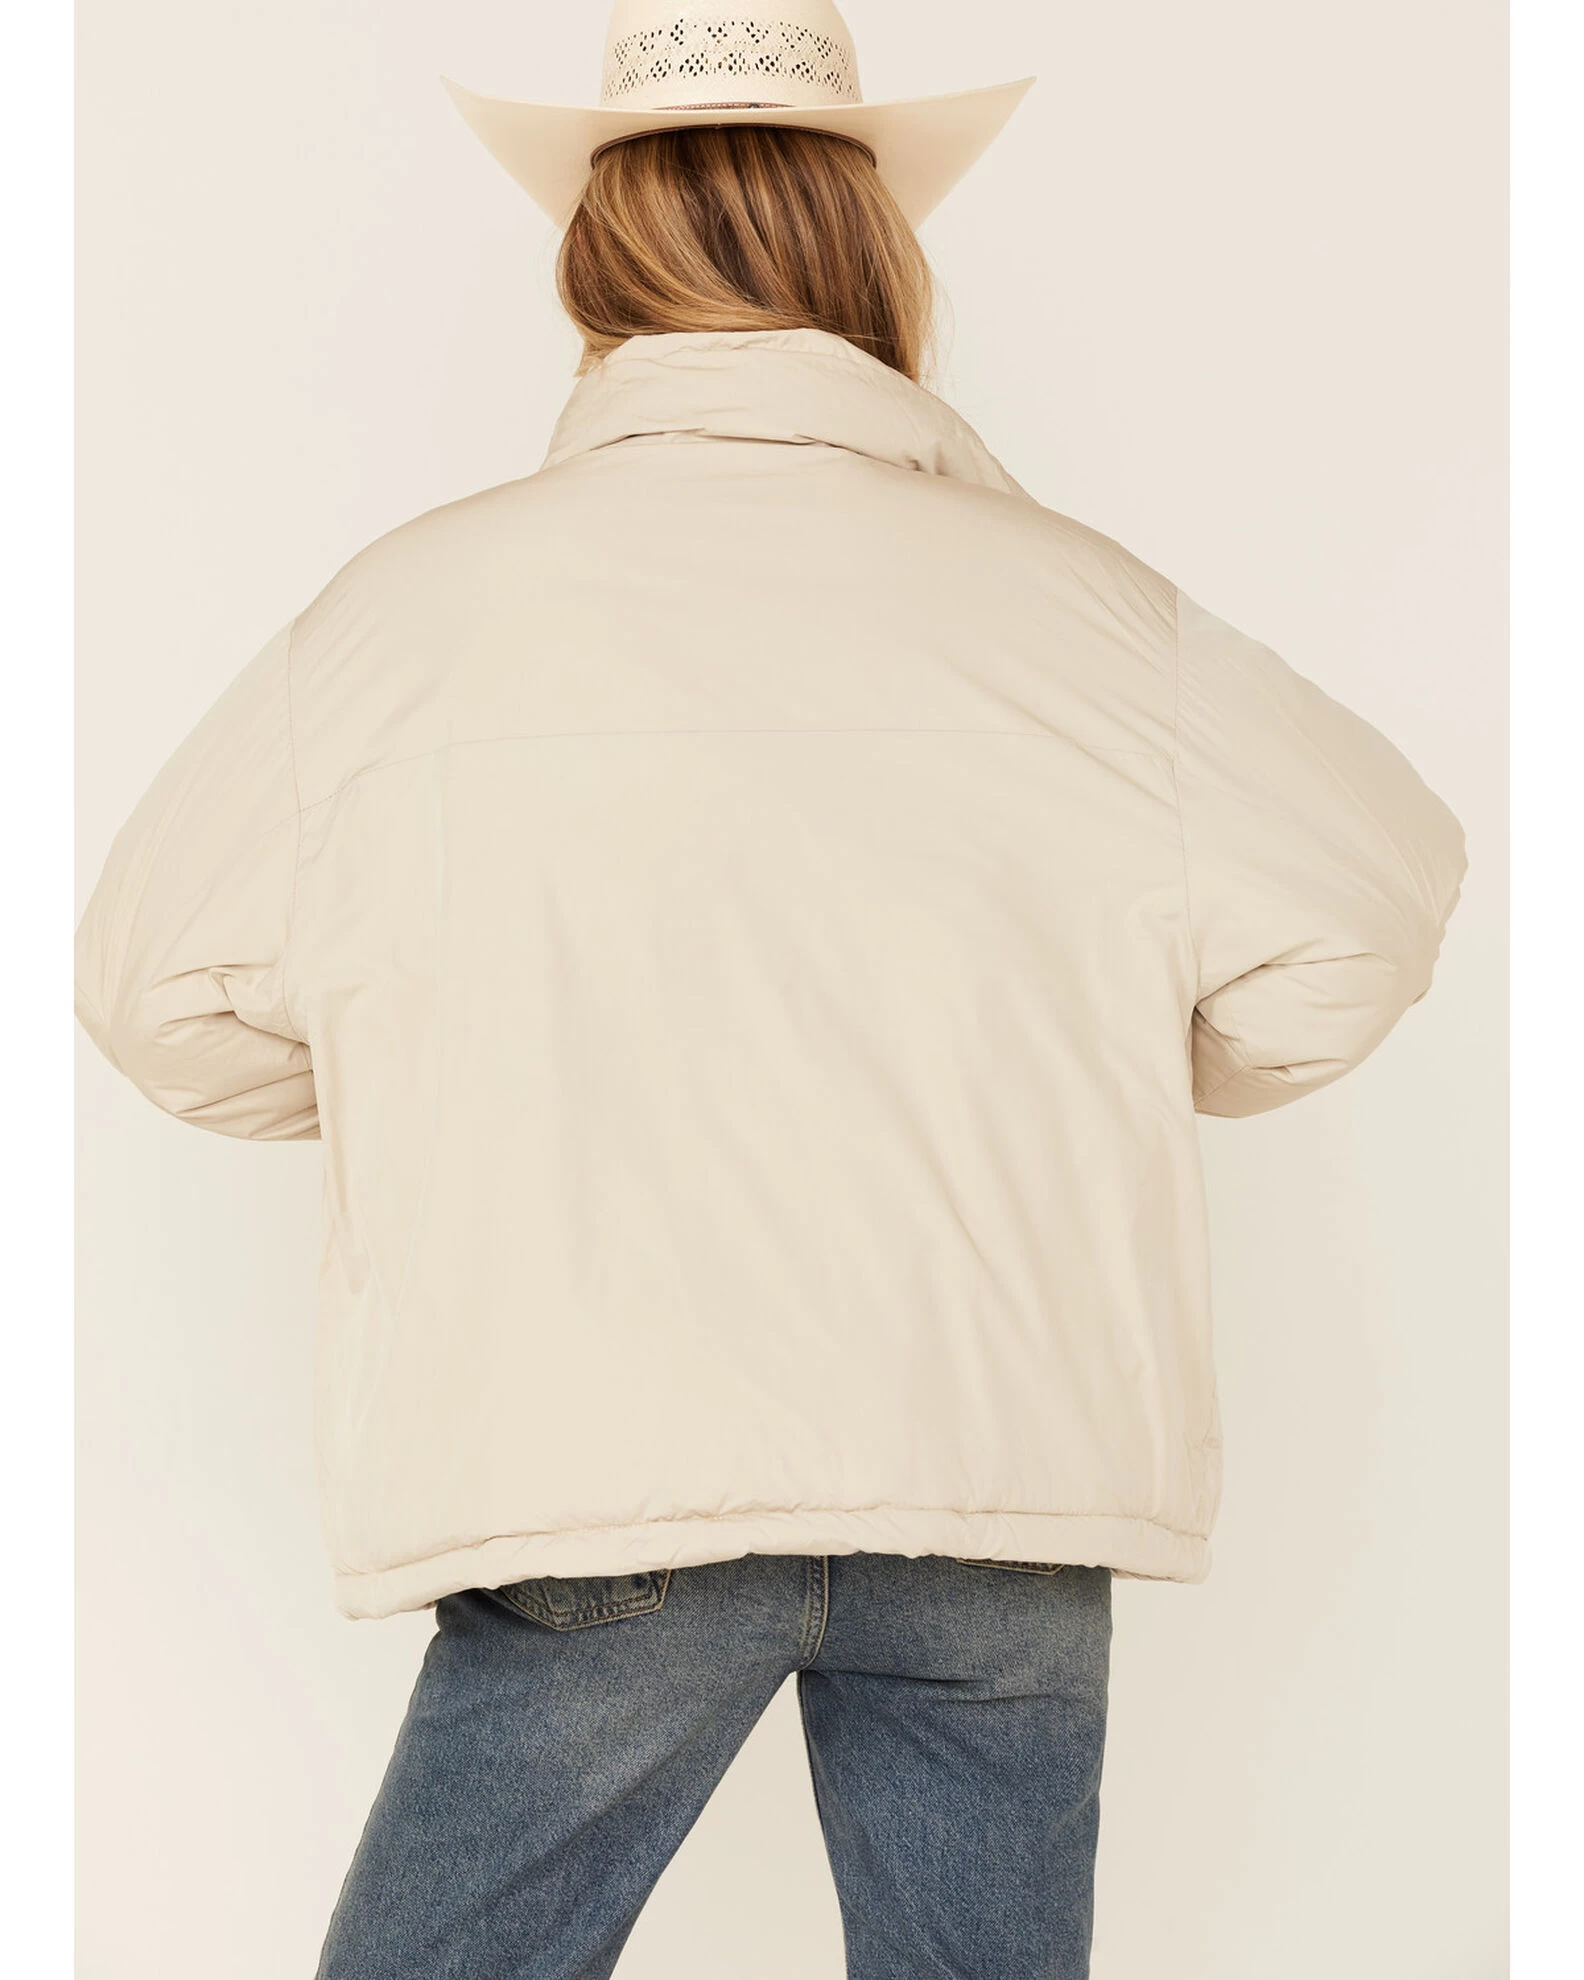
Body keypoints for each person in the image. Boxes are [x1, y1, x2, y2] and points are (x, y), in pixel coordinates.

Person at [73, 4, 1466, 1976]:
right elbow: (1370, 909)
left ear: (595, 260)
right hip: (996, 1466)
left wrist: (460, 1044)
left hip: (602, 1465)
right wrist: (1088, 1036)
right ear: (878, 254)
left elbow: (155, 992)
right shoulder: (1077, 603)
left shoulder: (407, 616)